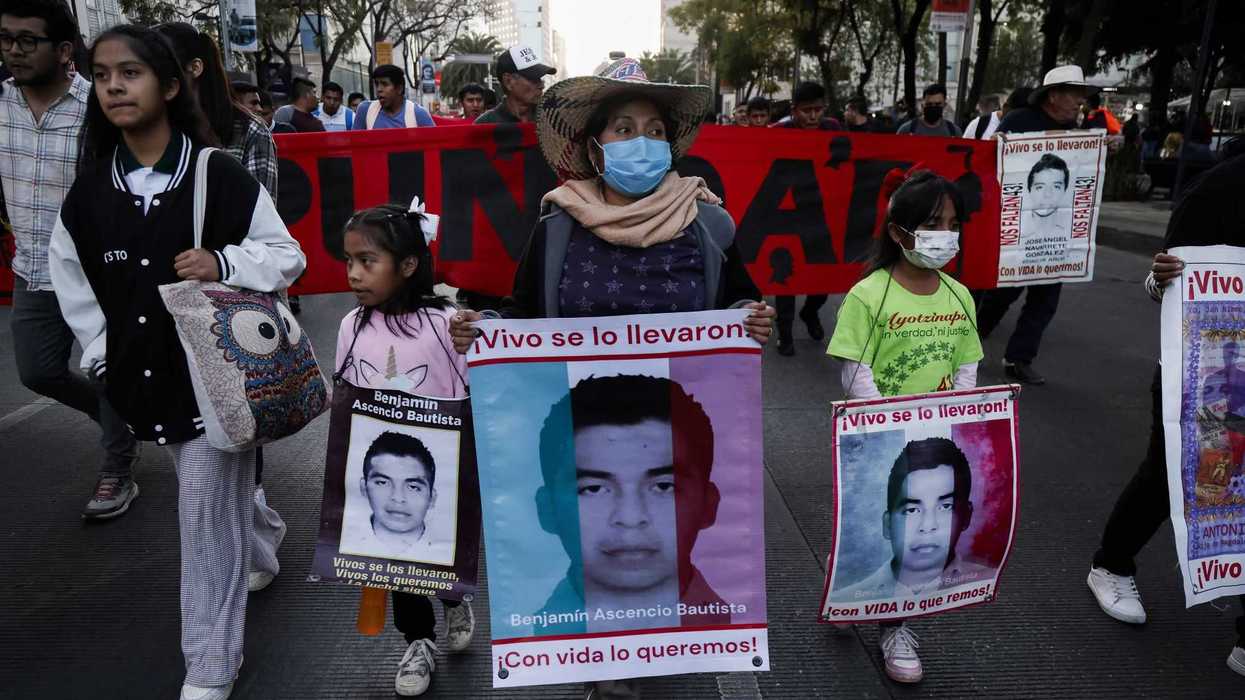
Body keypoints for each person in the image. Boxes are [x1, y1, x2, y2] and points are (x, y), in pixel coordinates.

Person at [449, 57, 774, 700]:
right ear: (595, 148)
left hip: (674, 448)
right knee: (605, 596)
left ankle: (665, 661)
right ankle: (603, 673)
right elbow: (525, 315)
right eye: (622, 128)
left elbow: (739, 296)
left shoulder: (708, 223)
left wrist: (747, 317)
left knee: (668, 617)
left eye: (653, 128)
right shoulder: (559, 224)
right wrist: (483, 328)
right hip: (582, 441)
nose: (641, 141)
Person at [48, 25, 304, 699]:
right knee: (214, 504)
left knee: (199, 513)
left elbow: (287, 256)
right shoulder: (89, 195)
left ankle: (210, 665)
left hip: (217, 379)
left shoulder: (216, 173)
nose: (113, 86)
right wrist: (103, 358)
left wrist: (224, 261)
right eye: (102, 74)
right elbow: (70, 279)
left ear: (168, 86)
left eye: (129, 73)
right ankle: (258, 533)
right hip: (141, 382)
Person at [1087, 148, 1245, 679]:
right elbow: (1171, 281)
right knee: (1176, 472)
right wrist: (1162, 278)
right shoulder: (1220, 188)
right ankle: (1110, 564)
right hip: (1217, 368)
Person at [827, 170, 983, 683]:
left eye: (953, 223)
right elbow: (855, 369)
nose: (946, 234)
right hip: (877, 441)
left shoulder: (960, 295)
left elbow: (966, 366)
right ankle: (846, 582)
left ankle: (896, 624)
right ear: (899, 232)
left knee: (915, 536)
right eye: (933, 223)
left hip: (935, 445)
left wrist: (961, 418)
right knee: (867, 528)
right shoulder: (868, 296)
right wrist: (887, 424)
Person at [156, 20, 288, 592]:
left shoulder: (245, 134)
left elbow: (271, 237)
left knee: (235, 424)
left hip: (235, 308)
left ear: (189, 71)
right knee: (195, 439)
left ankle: (245, 540)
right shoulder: (133, 145)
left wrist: (219, 261)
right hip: (163, 314)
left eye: (148, 68)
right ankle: (256, 525)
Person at [1, 0, 141, 519]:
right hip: (32, 269)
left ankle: (117, 471)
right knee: (38, 371)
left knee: (106, 370)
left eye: (26, 40)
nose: (14, 50)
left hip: (96, 275)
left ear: (63, 51)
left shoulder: (99, 107)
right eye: (7, 39)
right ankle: (120, 421)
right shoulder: (2, 104)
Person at [333, 202, 474, 697]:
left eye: (367, 261)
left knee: (443, 551)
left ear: (409, 264)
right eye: (348, 261)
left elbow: (465, 392)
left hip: (440, 466)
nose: (354, 274)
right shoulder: (352, 326)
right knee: (398, 558)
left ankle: (454, 598)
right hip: (384, 465)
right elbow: (347, 395)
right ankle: (418, 641)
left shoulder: (445, 324)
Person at [530, 374, 732, 636]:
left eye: (663, 486)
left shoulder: (735, 632)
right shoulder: (527, 641)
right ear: (547, 510)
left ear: (709, 504)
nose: (630, 517)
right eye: (593, 489)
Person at [976, 65, 1093, 386]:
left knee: (1045, 299)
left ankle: (1019, 359)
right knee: (1003, 294)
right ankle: (971, 340)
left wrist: (1103, 150)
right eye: (1074, 94)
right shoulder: (1018, 121)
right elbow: (992, 169)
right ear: (1053, 95)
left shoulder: (1078, 132)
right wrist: (997, 146)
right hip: (1017, 229)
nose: (1080, 102)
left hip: (1055, 234)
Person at [838, 437, 991, 600]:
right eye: (912, 510)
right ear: (887, 524)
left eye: (945, 507)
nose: (928, 525)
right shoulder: (845, 600)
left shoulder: (985, 582)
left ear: (966, 516)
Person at [772, 81, 838, 356]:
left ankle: (811, 311)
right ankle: (784, 333)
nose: (813, 116)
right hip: (785, 214)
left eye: (818, 110)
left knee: (821, 277)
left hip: (820, 214)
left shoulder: (833, 129)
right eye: (806, 110)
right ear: (794, 110)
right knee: (785, 277)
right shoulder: (777, 133)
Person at [475, 45, 555, 124]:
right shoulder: (485, 125)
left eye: (540, 78)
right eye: (533, 78)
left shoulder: (552, 120)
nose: (542, 85)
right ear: (508, 81)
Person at [352, 64, 435, 130]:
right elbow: (355, 147)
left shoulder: (418, 114)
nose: (379, 89)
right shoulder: (365, 110)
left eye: (385, 84)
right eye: (377, 84)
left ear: (399, 88)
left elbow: (435, 147)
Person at [1024, 154, 1071, 236]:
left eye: (1056, 187)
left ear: (1065, 190)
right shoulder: (1019, 233)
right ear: (1029, 190)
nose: (1048, 194)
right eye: (1040, 187)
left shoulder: (1069, 235)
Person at [897, 84, 961, 137]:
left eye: (937, 104)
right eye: (929, 104)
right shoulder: (906, 130)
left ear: (944, 105)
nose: (933, 107)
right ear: (923, 104)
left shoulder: (954, 132)